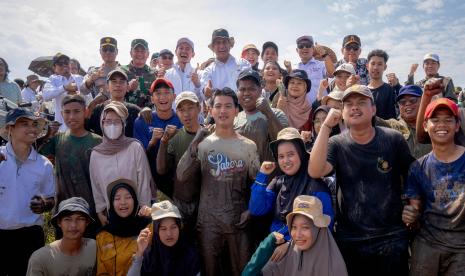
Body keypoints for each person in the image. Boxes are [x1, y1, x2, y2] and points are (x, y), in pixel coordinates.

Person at [309, 85, 415, 276]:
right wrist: (325, 126)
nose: (355, 108)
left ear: (373, 109)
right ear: (342, 112)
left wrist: (413, 204)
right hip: (351, 237)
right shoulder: (337, 143)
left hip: (391, 236)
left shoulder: (393, 139)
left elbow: (412, 174)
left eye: (361, 103)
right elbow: (315, 170)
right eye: (348, 104)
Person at [177, 88, 260, 276]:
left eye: (228, 106)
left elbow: (258, 183)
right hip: (208, 223)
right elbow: (182, 176)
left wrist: (251, 210)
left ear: (236, 110)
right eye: (218, 106)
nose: (223, 111)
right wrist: (197, 140)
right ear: (211, 111)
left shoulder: (248, 146)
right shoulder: (204, 145)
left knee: (242, 271)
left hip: (239, 222)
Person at [403, 98, 465, 276]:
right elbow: (413, 214)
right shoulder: (417, 168)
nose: (441, 125)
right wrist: (410, 216)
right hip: (427, 244)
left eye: (448, 120)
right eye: (435, 120)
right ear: (425, 125)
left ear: (457, 125)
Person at [249, 127, 334, 240]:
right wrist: (262, 175)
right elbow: (257, 209)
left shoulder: (316, 186)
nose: (286, 161)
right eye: (281, 156)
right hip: (276, 247)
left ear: (301, 154)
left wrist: (290, 244)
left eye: (291, 154)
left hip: (304, 251)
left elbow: (326, 228)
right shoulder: (278, 183)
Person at [0, 108, 55, 276]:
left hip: (30, 235)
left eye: (34, 125)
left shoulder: (44, 165)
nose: (32, 129)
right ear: (10, 129)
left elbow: (51, 198)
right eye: (24, 124)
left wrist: (45, 204)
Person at [39, 95, 102, 238]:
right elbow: (36, 158)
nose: (71, 116)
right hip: (63, 211)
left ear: (86, 112)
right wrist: (46, 135)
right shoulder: (56, 139)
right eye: (67, 112)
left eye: (76, 111)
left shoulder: (98, 142)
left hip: (90, 211)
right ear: (61, 114)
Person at [244, 195, 347, 276]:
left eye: (305, 227)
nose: (297, 235)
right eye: (293, 227)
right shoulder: (284, 254)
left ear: (319, 228)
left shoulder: (333, 266)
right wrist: (267, 245)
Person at [90, 101, 153, 226]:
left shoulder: (134, 147)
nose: (112, 125)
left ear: (123, 124)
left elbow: (144, 181)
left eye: (117, 121)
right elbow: (96, 185)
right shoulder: (96, 154)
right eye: (108, 121)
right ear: (102, 123)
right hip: (110, 216)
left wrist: (144, 207)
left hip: (137, 213)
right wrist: (100, 211)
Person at [156, 91, 202, 238]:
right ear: (177, 112)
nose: (186, 114)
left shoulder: (209, 134)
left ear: (199, 108)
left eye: (190, 108)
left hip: (205, 203)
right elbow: (161, 170)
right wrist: (163, 142)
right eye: (181, 110)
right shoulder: (175, 138)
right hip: (182, 203)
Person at [26, 197, 96, 276]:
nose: (73, 225)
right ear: (59, 222)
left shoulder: (95, 248)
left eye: (80, 219)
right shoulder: (40, 258)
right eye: (67, 219)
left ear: (87, 222)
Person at [127, 200, 200, 276]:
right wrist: (139, 253)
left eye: (173, 227)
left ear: (179, 228)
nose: (169, 234)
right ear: (156, 231)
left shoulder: (190, 256)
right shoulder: (148, 256)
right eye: (163, 229)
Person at [96, 179, 151, 276]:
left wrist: (153, 211)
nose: (123, 202)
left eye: (128, 197)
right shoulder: (103, 235)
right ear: (111, 204)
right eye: (117, 198)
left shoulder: (148, 226)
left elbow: (175, 225)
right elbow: (102, 272)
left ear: (135, 200)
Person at [234, 69, 288, 162]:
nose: (246, 93)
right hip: (242, 175)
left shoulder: (277, 114)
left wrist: (268, 112)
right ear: (237, 93)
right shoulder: (233, 119)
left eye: (251, 89)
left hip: (269, 175)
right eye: (242, 89)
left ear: (260, 90)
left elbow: (285, 145)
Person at [87, 68, 141, 137]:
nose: (118, 85)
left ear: (127, 87)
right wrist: (91, 105)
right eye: (114, 81)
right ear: (107, 87)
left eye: (121, 82)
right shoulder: (97, 110)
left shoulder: (135, 111)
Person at [200, 28, 250, 98]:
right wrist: (205, 90)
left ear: (230, 44)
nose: (221, 46)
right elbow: (203, 90)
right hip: (220, 108)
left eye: (224, 42)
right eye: (218, 43)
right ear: (213, 47)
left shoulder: (243, 64)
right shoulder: (208, 71)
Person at [134, 78, 182, 149]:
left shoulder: (183, 120)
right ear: (152, 99)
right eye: (158, 93)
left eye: (167, 92)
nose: (162, 97)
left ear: (174, 97)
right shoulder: (142, 121)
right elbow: (138, 155)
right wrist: (152, 142)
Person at [42, 53, 85, 132]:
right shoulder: (52, 79)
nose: (64, 65)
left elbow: (88, 99)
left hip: (80, 128)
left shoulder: (80, 78)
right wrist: (64, 88)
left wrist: (79, 95)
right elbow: (45, 95)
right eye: (60, 64)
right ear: (54, 68)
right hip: (61, 129)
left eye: (66, 63)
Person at [390, 85, 432, 158]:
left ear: (423, 102)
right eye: (402, 102)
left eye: (413, 100)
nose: (407, 104)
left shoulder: (433, 126)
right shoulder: (391, 126)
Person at [294, 35, 334, 104]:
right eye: (301, 46)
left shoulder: (321, 64)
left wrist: (324, 54)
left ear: (313, 48)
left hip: (320, 109)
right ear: (297, 50)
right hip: (301, 111)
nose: (304, 48)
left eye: (308, 45)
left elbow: (332, 74)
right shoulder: (294, 69)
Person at [164, 37, 203, 103]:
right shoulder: (167, 74)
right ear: (176, 52)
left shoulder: (200, 74)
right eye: (181, 48)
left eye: (187, 49)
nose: (184, 51)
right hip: (173, 113)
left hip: (194, 113)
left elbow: (202, 99)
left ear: (193, 54)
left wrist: (197, 85)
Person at [121, 38, 156, 107]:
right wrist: (127, 88)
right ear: (131, 53)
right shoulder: (121, 71)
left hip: (147, 116)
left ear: (148, 54)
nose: (139, 54)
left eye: (143, 51)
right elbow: (113, 93)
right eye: (136, 51)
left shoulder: (154, 74)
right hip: (125, 114)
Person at [366, 49, 397, 120]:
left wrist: (397, 86)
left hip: (389, 130)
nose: (376, 67)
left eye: (380, 64)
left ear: (385, 67)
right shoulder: (362, 92)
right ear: (367, 66)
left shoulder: (391, 89)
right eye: (373, 63)